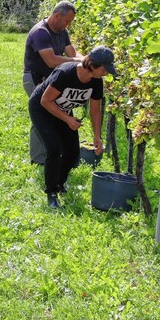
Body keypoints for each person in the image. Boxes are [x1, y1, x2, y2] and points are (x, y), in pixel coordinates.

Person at [29, 45, 117, 208]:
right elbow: (45, 101)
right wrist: (68, 120)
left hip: (61, 110)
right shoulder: (65, 73)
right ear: (92, 64)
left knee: (72, 152)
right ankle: (51, 193)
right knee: (53, 149)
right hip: (42, 108)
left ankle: (60, 183)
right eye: (105, 69)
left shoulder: (96, 82)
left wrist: (97, 136)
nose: (106, 73)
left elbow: (95, 110)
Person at [24, 1, 82, 165]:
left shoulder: (62, 31)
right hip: (34, 78)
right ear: (57, 16)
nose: (68, 25)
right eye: (67, 21)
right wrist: (77, 61)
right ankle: (38, 158)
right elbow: (51, 61)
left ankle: (59, 153)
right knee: (41, 113)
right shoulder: (40, 32)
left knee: (56, 112)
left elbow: (72, 53)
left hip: (51, 79)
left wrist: (89, 60)